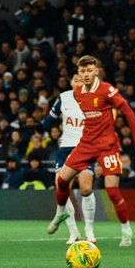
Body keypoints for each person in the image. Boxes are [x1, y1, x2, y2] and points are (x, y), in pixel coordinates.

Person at [54, 55, 135, 247]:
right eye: (83, 71)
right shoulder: (78, 93)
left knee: (112, 192)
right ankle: (61, 211)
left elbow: (128, 112)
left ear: (96, 71)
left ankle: (126, 229)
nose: (86, 74)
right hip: (86, 144)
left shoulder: (107, 90)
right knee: (62, 180)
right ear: (78, 73)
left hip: (108, 146)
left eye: (90, 70)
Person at [41, 74, 97, 244]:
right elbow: (49, 119)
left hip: (86, 148)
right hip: (66, 148)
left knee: (86, 188)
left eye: (82, 80)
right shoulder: (64, 98)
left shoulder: (94, 99)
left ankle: (89, 229)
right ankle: (73, 232)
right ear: (72, 83)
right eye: (76, 80)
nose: (79, 83)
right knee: (61, 187)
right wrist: (38, 128)